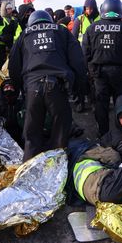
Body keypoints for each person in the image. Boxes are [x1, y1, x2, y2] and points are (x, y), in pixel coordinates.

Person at [9, 10, 87, 161]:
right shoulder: (61, 31)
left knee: (31, 136)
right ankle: (58, 169)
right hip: (57, 87)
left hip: (32, 88)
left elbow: (14, 64)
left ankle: (29, 172)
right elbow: (78, 61)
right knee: (60, 132)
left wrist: (20, 90)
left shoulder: (25, 34)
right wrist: (78, 88)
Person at [82, 0, 122, 136]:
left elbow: (85, 54)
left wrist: (90, 71)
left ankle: (104, 134)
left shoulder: (91, 28)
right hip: (120, 72)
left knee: (101, 105)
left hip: (99, 73)